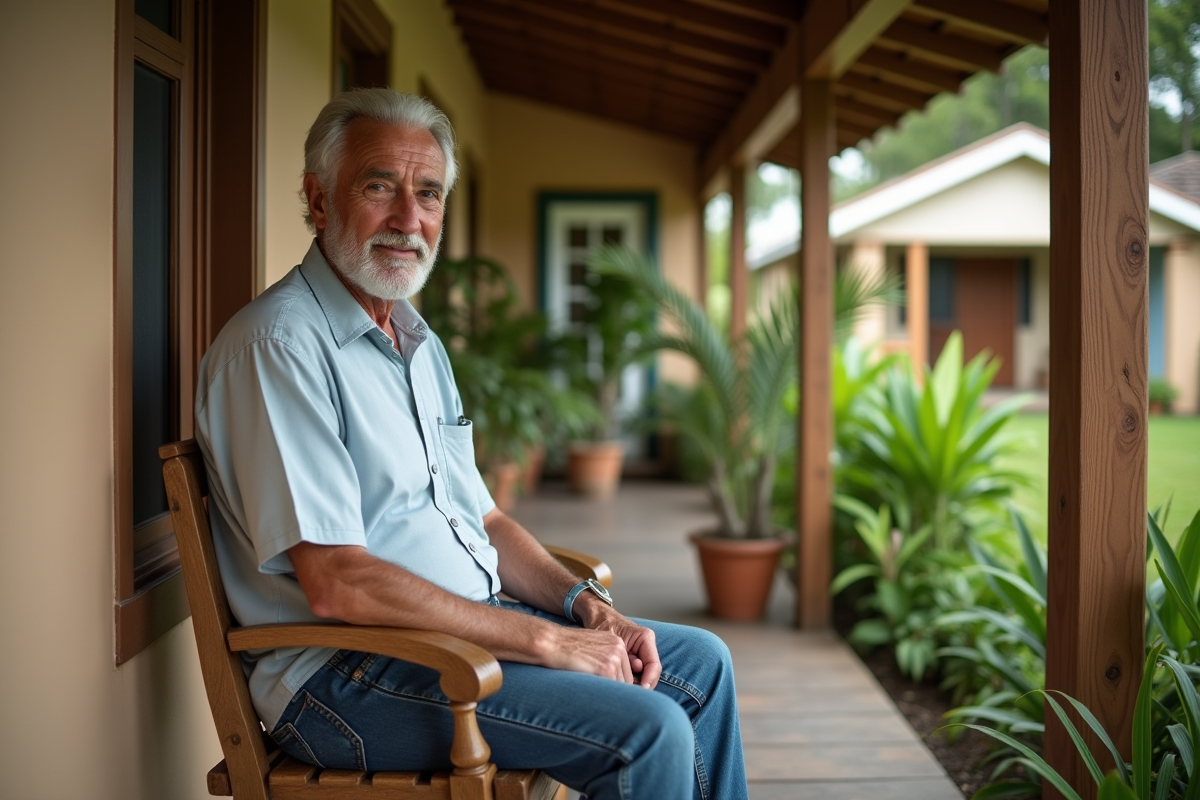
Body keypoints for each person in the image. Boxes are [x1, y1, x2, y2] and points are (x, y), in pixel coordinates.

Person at [195, 87, 747, 800]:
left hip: (465, 636)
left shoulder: (418, 344)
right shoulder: (278, 346)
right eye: (379, 187)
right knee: (648, 728)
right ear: (320, 198)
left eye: (428, 194)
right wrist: (545, 641)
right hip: (348, 676)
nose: (408, 218)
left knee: (701, 663)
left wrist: (586, 608)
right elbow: (336, 581)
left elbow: (483, 521)